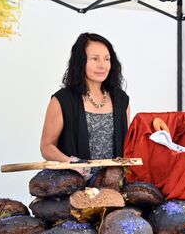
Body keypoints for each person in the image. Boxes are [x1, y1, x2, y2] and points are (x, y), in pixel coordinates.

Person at [40, 33, 131, 167]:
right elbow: (46, 146)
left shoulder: (121, 100)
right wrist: (72, 163)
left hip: (114, 182)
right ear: (80, 62)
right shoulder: (62, 100)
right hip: (75, 181)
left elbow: (128, 145)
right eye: (95, 59)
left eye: (107, 59)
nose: (102, 65)